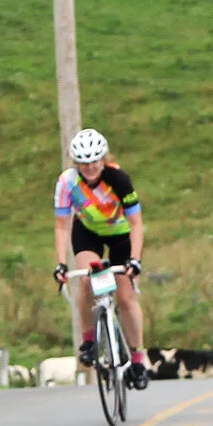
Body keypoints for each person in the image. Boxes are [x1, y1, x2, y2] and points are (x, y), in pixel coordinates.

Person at [52, 128, 148, 391]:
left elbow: (136, 223)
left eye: (95, 161)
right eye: (84, 162)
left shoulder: (118, 179)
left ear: (103, 159)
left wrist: (135, 260)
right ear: (76, 163)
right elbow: (61, 226)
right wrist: (61, 263)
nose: (90, 167)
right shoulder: (67, 182)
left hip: (121, 237)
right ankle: (89, 340)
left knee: (126, 296)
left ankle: (138, 358)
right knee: (86, 281)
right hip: (88, 234)